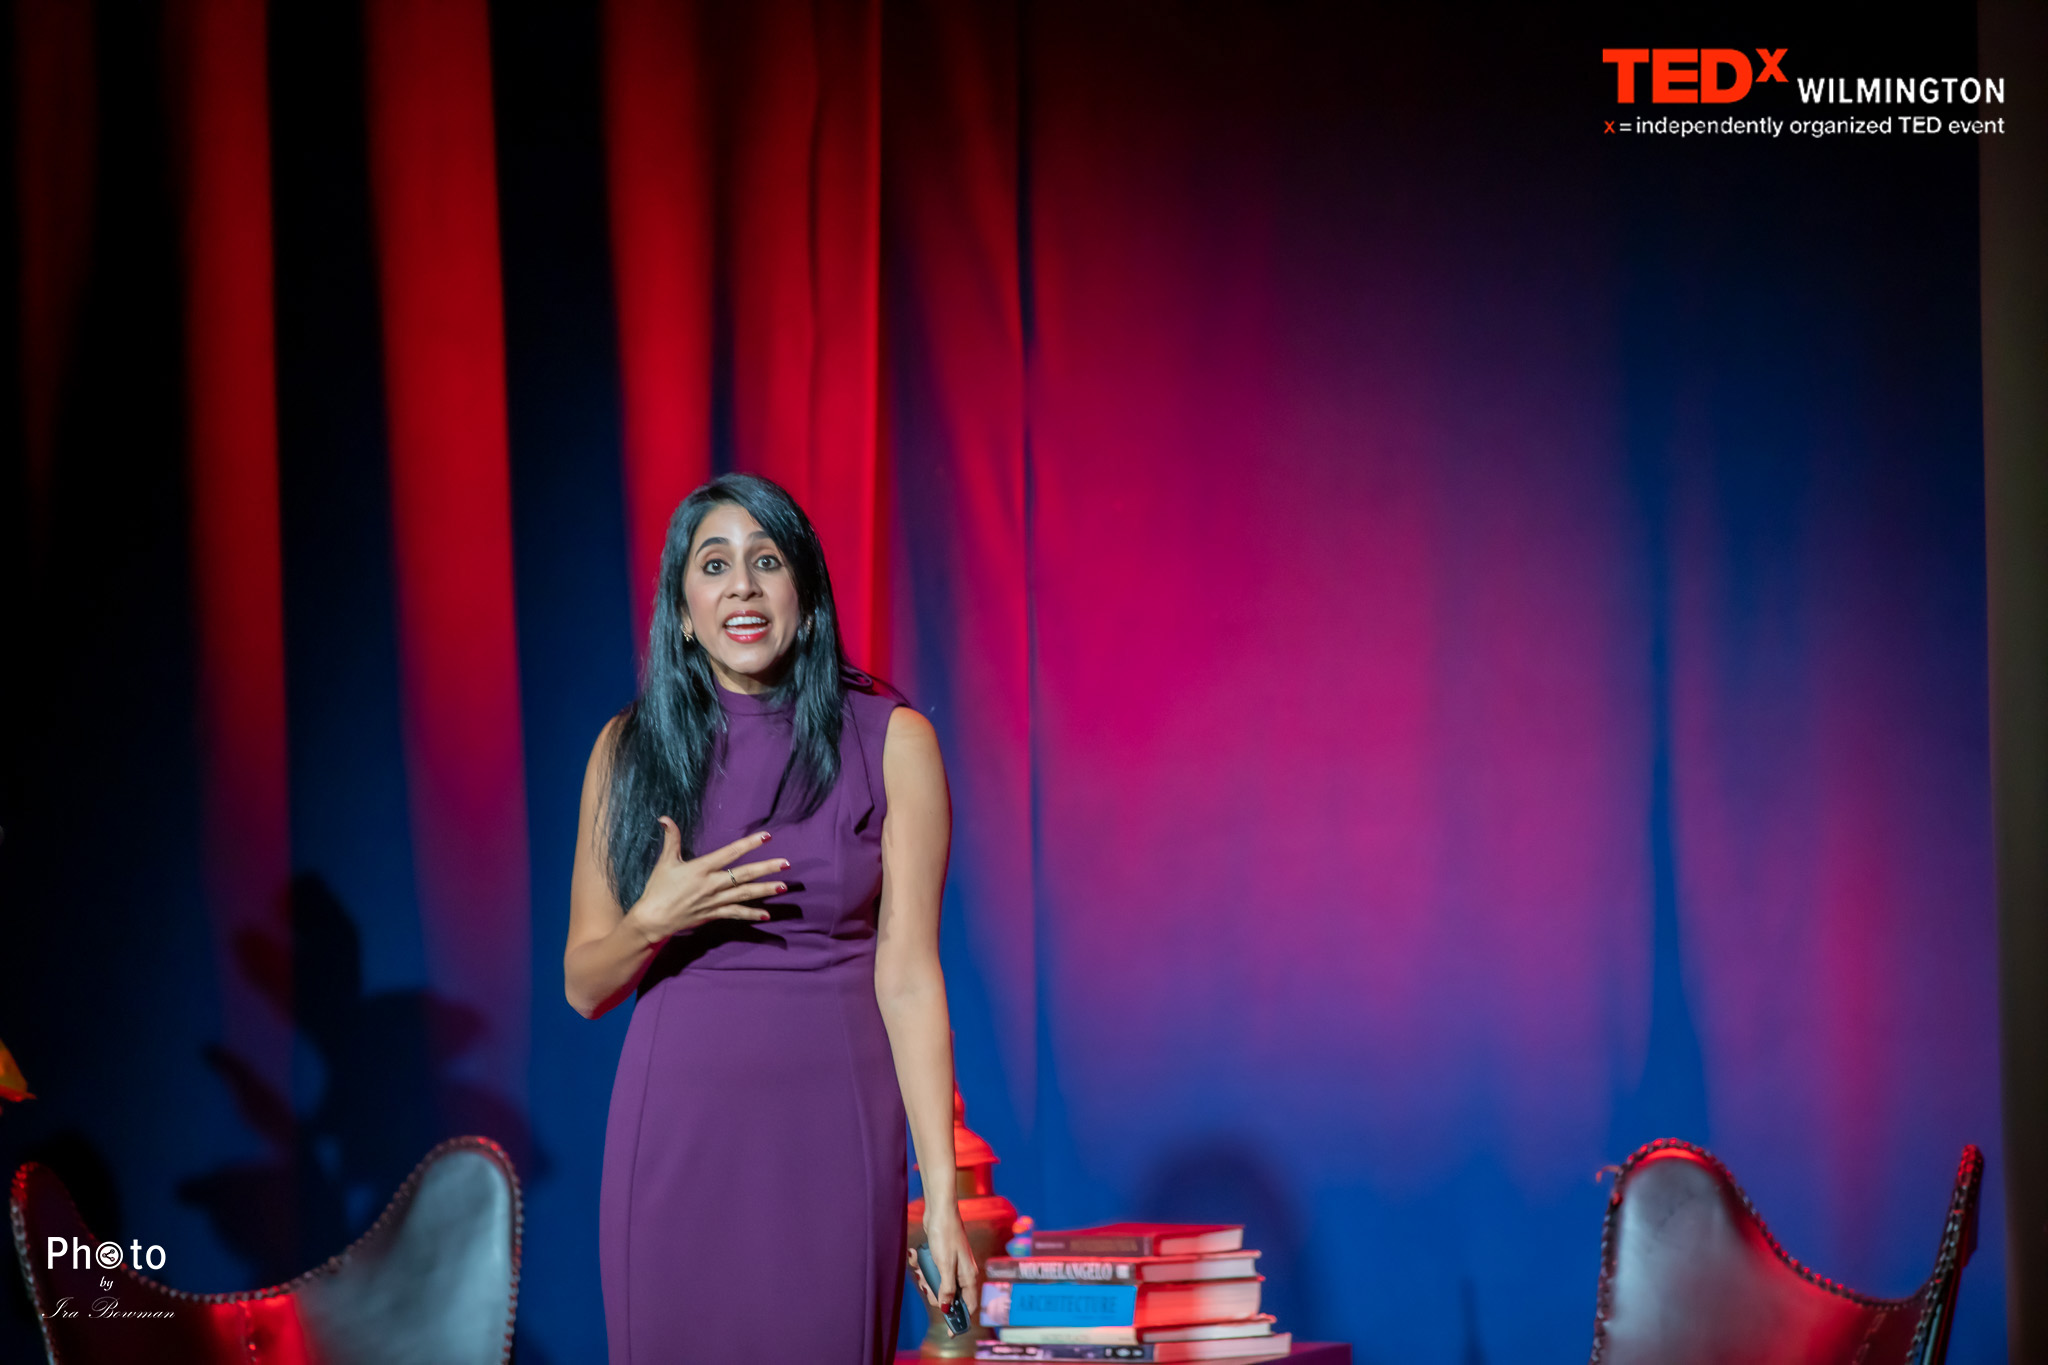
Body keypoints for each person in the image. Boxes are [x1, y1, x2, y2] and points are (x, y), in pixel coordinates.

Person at [565, 473, 976, 1363]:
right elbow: (584, 986)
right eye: (713, 565)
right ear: (682, 610)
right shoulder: (627, 749)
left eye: (767, 561)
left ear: (806, 594)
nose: (742, 586)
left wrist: (940, 1195)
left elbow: (909, 977)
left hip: (833, 1130)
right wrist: (650, 920)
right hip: (675, 1131)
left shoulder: (893, 742)